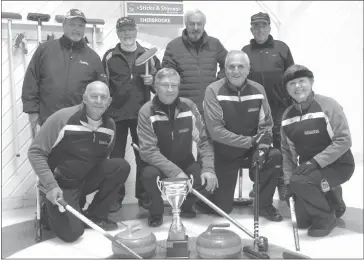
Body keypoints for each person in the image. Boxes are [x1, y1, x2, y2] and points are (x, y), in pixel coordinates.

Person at [28, 81, 130, 242]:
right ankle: (47, 210)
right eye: (94, 96)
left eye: (103, 97)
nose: (98, 101)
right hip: (61, 185)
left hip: (84, 180)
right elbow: (35, 152)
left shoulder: (110, 126)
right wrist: (50, 186)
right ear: (84, 98)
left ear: (109, 101)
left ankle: (96, 216)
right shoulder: (62, 118)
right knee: (72, 234)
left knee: (120, 166)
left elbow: (103, 158)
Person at [202, 50, 283, 221]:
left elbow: (266, 124)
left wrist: (262, 148)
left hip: (252, 148)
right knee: (222, 209)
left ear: (248, 69)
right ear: (224, 69)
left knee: (274, 156)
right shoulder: (213, 90)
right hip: (225, 152)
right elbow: (216, 132)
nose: (236, 71)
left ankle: (264, 205)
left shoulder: (258, 89)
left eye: (241, 66)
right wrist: (250, 141)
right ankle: (213, 199)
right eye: (231, 67)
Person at [137, 68, 218, 227]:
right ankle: (156, 211)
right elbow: (148, 151)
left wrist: (208, 168)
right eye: (165, 85)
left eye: (174, 85)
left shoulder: (189, 107)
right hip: (156, 165)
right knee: (148, 175)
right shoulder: (146, 111)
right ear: (156, 86)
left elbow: (203, 140)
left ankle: (186, 205)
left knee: (202, 177)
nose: (170, 89)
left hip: (184, 161)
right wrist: (176, 172)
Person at [280, 64, 355, 237]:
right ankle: (332, 199)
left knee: (302, 182)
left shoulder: (328, 105)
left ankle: (326, 217)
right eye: (292, 83)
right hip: (309, 168)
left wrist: (315, 162)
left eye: (302, 81)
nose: (297, 86)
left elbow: (344, 140)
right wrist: (287, 181)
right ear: (287, 89)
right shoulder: (286, 116)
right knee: (301, 220)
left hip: (338, 164)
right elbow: (286, 153)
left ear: (311, 82)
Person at [102, 16, 161, 212]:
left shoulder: (149, 56)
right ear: (118, 33)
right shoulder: (110, 57)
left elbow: (161, 88)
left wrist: (152, 81)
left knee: (143, 156)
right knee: (116, 158)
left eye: (130, 29)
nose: (127, 33)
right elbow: (104, 87)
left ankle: (144, 195)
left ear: (136, 31)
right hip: (115, 116)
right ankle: (115, 197)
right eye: (123, 30)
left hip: (141, 115)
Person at [22, 9, 107, 134]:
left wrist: (97, 115)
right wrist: (32, 110)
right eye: (72, 24)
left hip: (81, 123)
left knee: (77, 154)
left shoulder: (93, 58)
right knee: (49, 153)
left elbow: (101, 90)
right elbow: (31, 80)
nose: (76, 29)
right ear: (63, 25)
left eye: (80, 25)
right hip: (49, 119)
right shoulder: (45, 50)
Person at [242, 12, 295, 199]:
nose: (260, 29)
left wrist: (293, 102)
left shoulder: (282, 48)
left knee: (282, 148)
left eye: (263, 25)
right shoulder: (245, 51)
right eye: (256, 26)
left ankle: (283, 183)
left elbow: (292, 76)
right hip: (255, 110)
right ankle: (259, 183)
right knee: (257, 147)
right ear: (251, 29)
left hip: (280, 108)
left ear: (270, 28)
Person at [162, 9, 228, 114]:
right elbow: (167, 76)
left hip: (210, 105)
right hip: (183, 107)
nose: (196, 28)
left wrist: (218, 83)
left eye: (199, 24)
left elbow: (228, 64)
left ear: (204, 25)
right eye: (192, 24)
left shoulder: (214, 44)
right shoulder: (173, 46)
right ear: (186, 24)